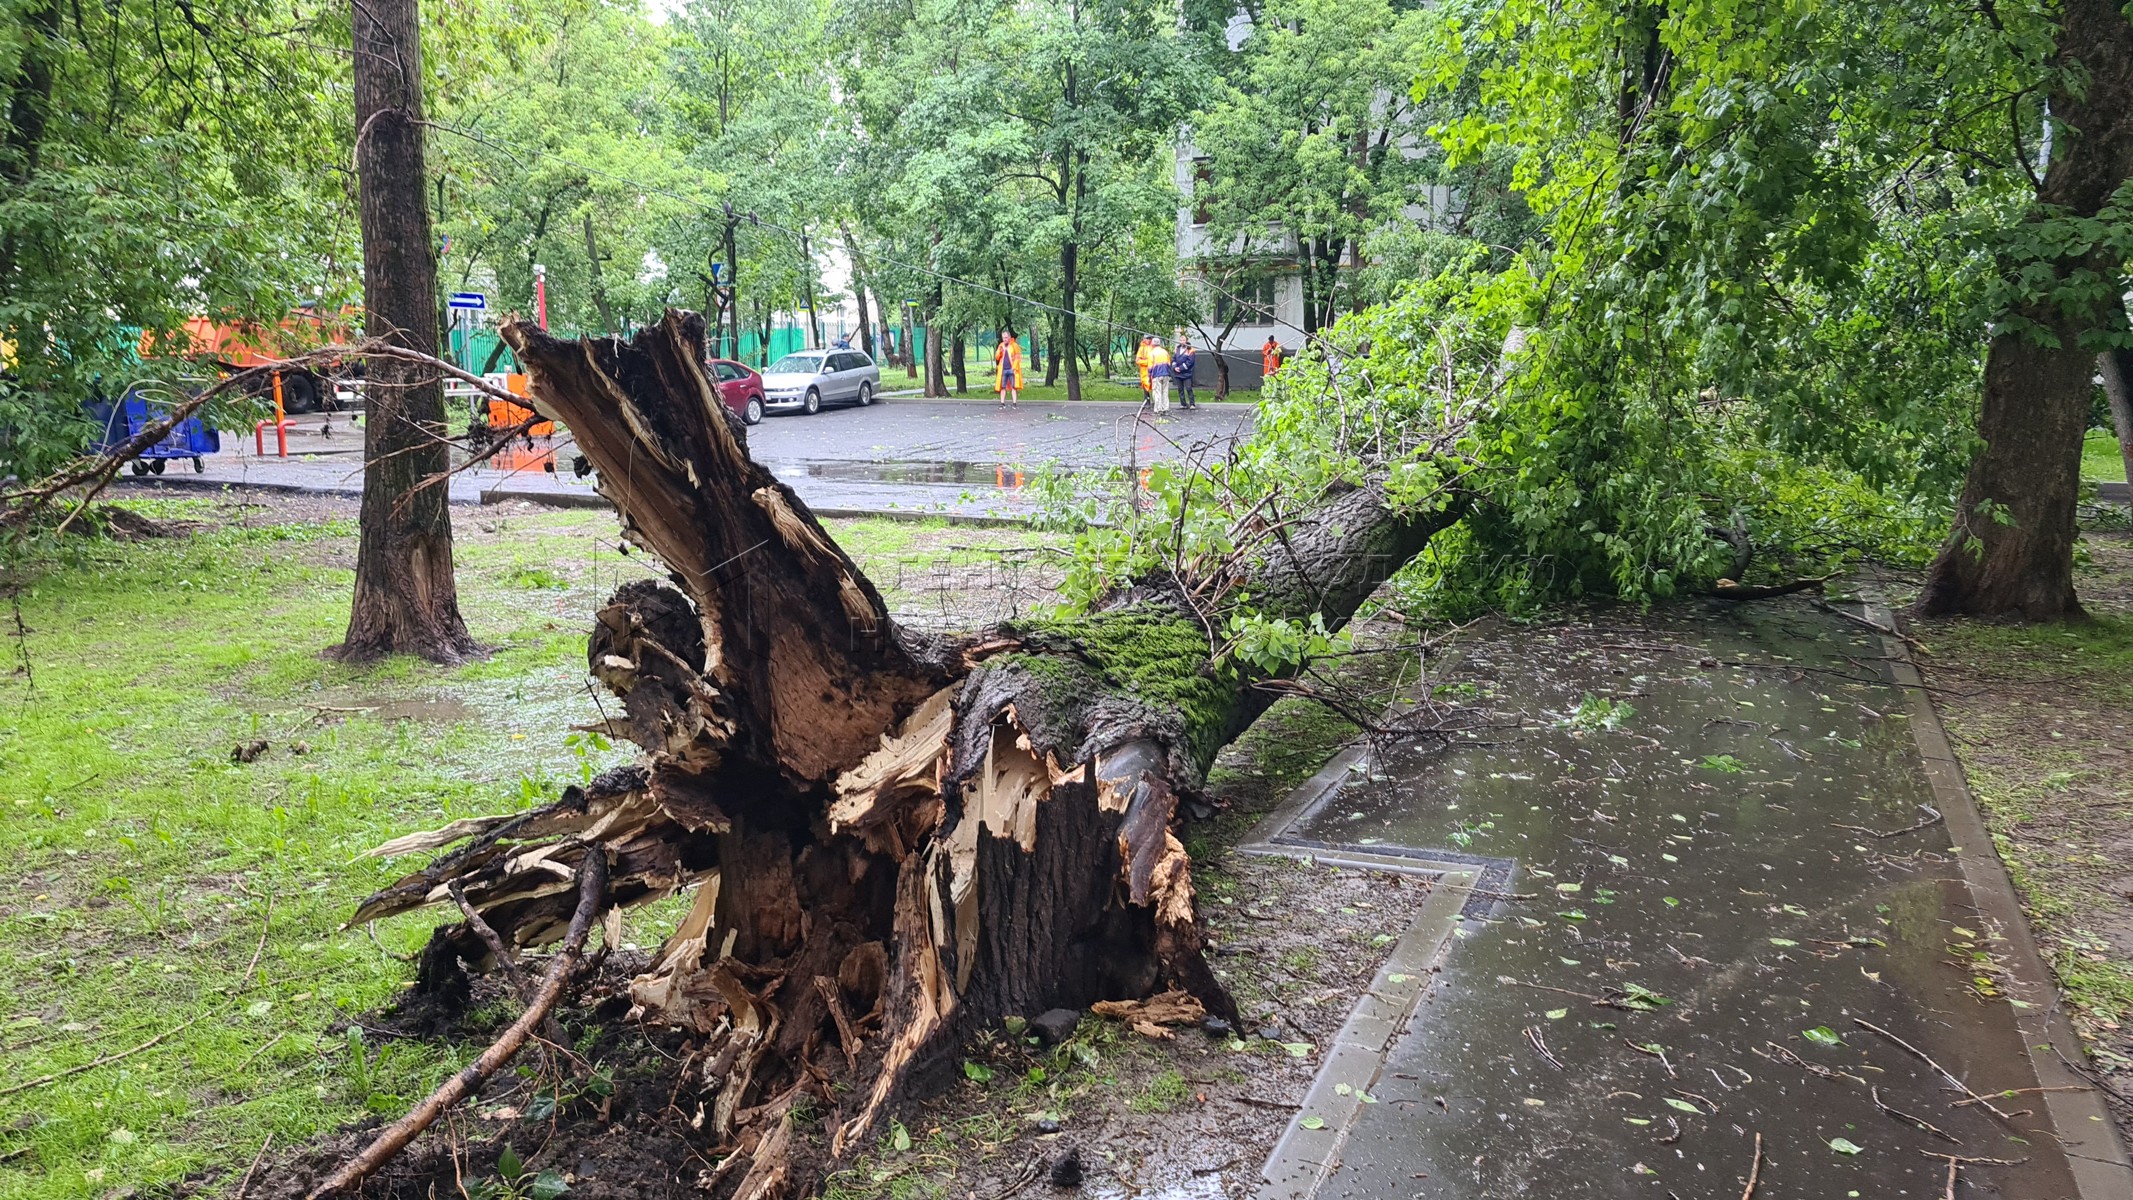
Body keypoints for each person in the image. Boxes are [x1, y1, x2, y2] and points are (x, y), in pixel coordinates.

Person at [993, 329, 1024, 408]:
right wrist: (999, 351)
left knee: (1014, 386)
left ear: (1009, 337)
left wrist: (1014, 368)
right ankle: (1002, 403)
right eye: (1003, 338)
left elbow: (1018, 357)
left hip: (1012, 369)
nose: (1005, 339)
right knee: (1002, 387)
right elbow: (997, 357)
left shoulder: (1014, 345)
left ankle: (1014, 403)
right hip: (1003, 369)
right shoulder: (1001, 345)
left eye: (1006, 337)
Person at [1146, 337, 1173, 413]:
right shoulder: (1165, 352)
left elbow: (1150, 366)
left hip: (1156, 375)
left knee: (1157, 392)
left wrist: (1149, 376)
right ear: (1159, 344)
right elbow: (1168, 364)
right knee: (1165, 391)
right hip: (1166, 374)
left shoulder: (1152, 353)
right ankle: (1165, 407)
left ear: (1152, 344)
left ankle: (1158, 408)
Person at [1172, 338, 1199, 410]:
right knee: (1180, 389)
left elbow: (1190, 362)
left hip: (1187, 373)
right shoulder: (1177, 349)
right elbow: (1173, 359)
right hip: (1178, 373)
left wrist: (1180, 368)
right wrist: (1174, 367)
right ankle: (1183, 404)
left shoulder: (1190, 350)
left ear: (1186, 341)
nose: (1182, 341)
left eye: (1183, 340)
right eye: (1180, 340)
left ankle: (1192, 404)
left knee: (1188, 388)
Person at [1135, 335, 1156, 402]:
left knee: (1154, 384)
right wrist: (1147, 362)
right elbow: (1138, 360)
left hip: (1153, 369)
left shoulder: (1154, 347)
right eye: (1147, 338)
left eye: (1150, 338)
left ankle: (1155, 400)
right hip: (1144, 370)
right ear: (1144, 339)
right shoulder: (1142, 348)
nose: (1149, 340)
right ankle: (1147, 399)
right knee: (1145, 384)